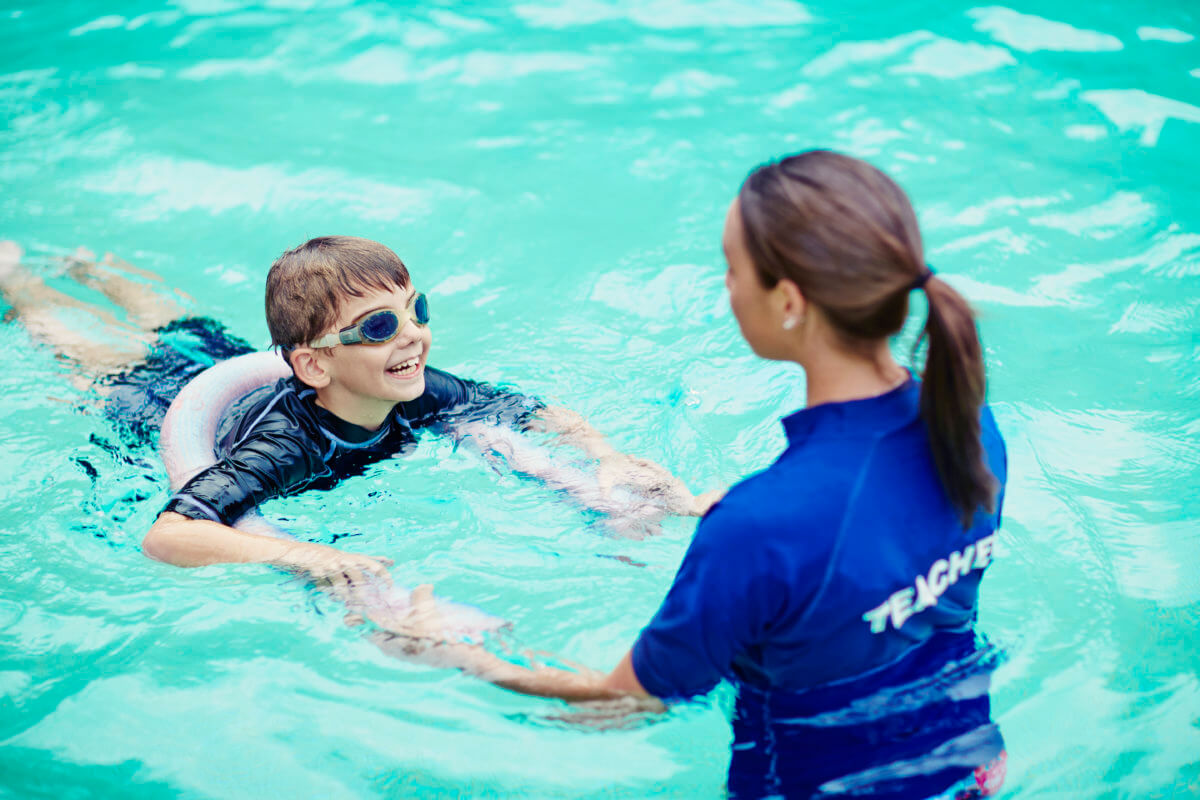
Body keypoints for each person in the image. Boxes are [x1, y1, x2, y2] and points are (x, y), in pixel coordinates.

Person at [384, 151, 1009, 799]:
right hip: (972, 769)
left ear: (789, 301)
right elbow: (879, 558)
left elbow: (619, 706)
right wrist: (731, 509)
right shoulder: (970, 423)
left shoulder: (762, 529)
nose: (727, 288)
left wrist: (452, 652)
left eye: (732, 269)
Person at [0, 237, 716, 597]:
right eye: (379, 328)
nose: (413, 335)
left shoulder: (415, 385)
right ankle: (23, 284)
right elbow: (171, 535)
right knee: (93, 353)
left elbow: (528, 410)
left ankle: (95, 267)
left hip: (227, 371)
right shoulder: (288, 444)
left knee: (181, 323)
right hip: (170, 409)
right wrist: (303, 554)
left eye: (416, 310)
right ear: (315, 364)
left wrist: (606, 454)